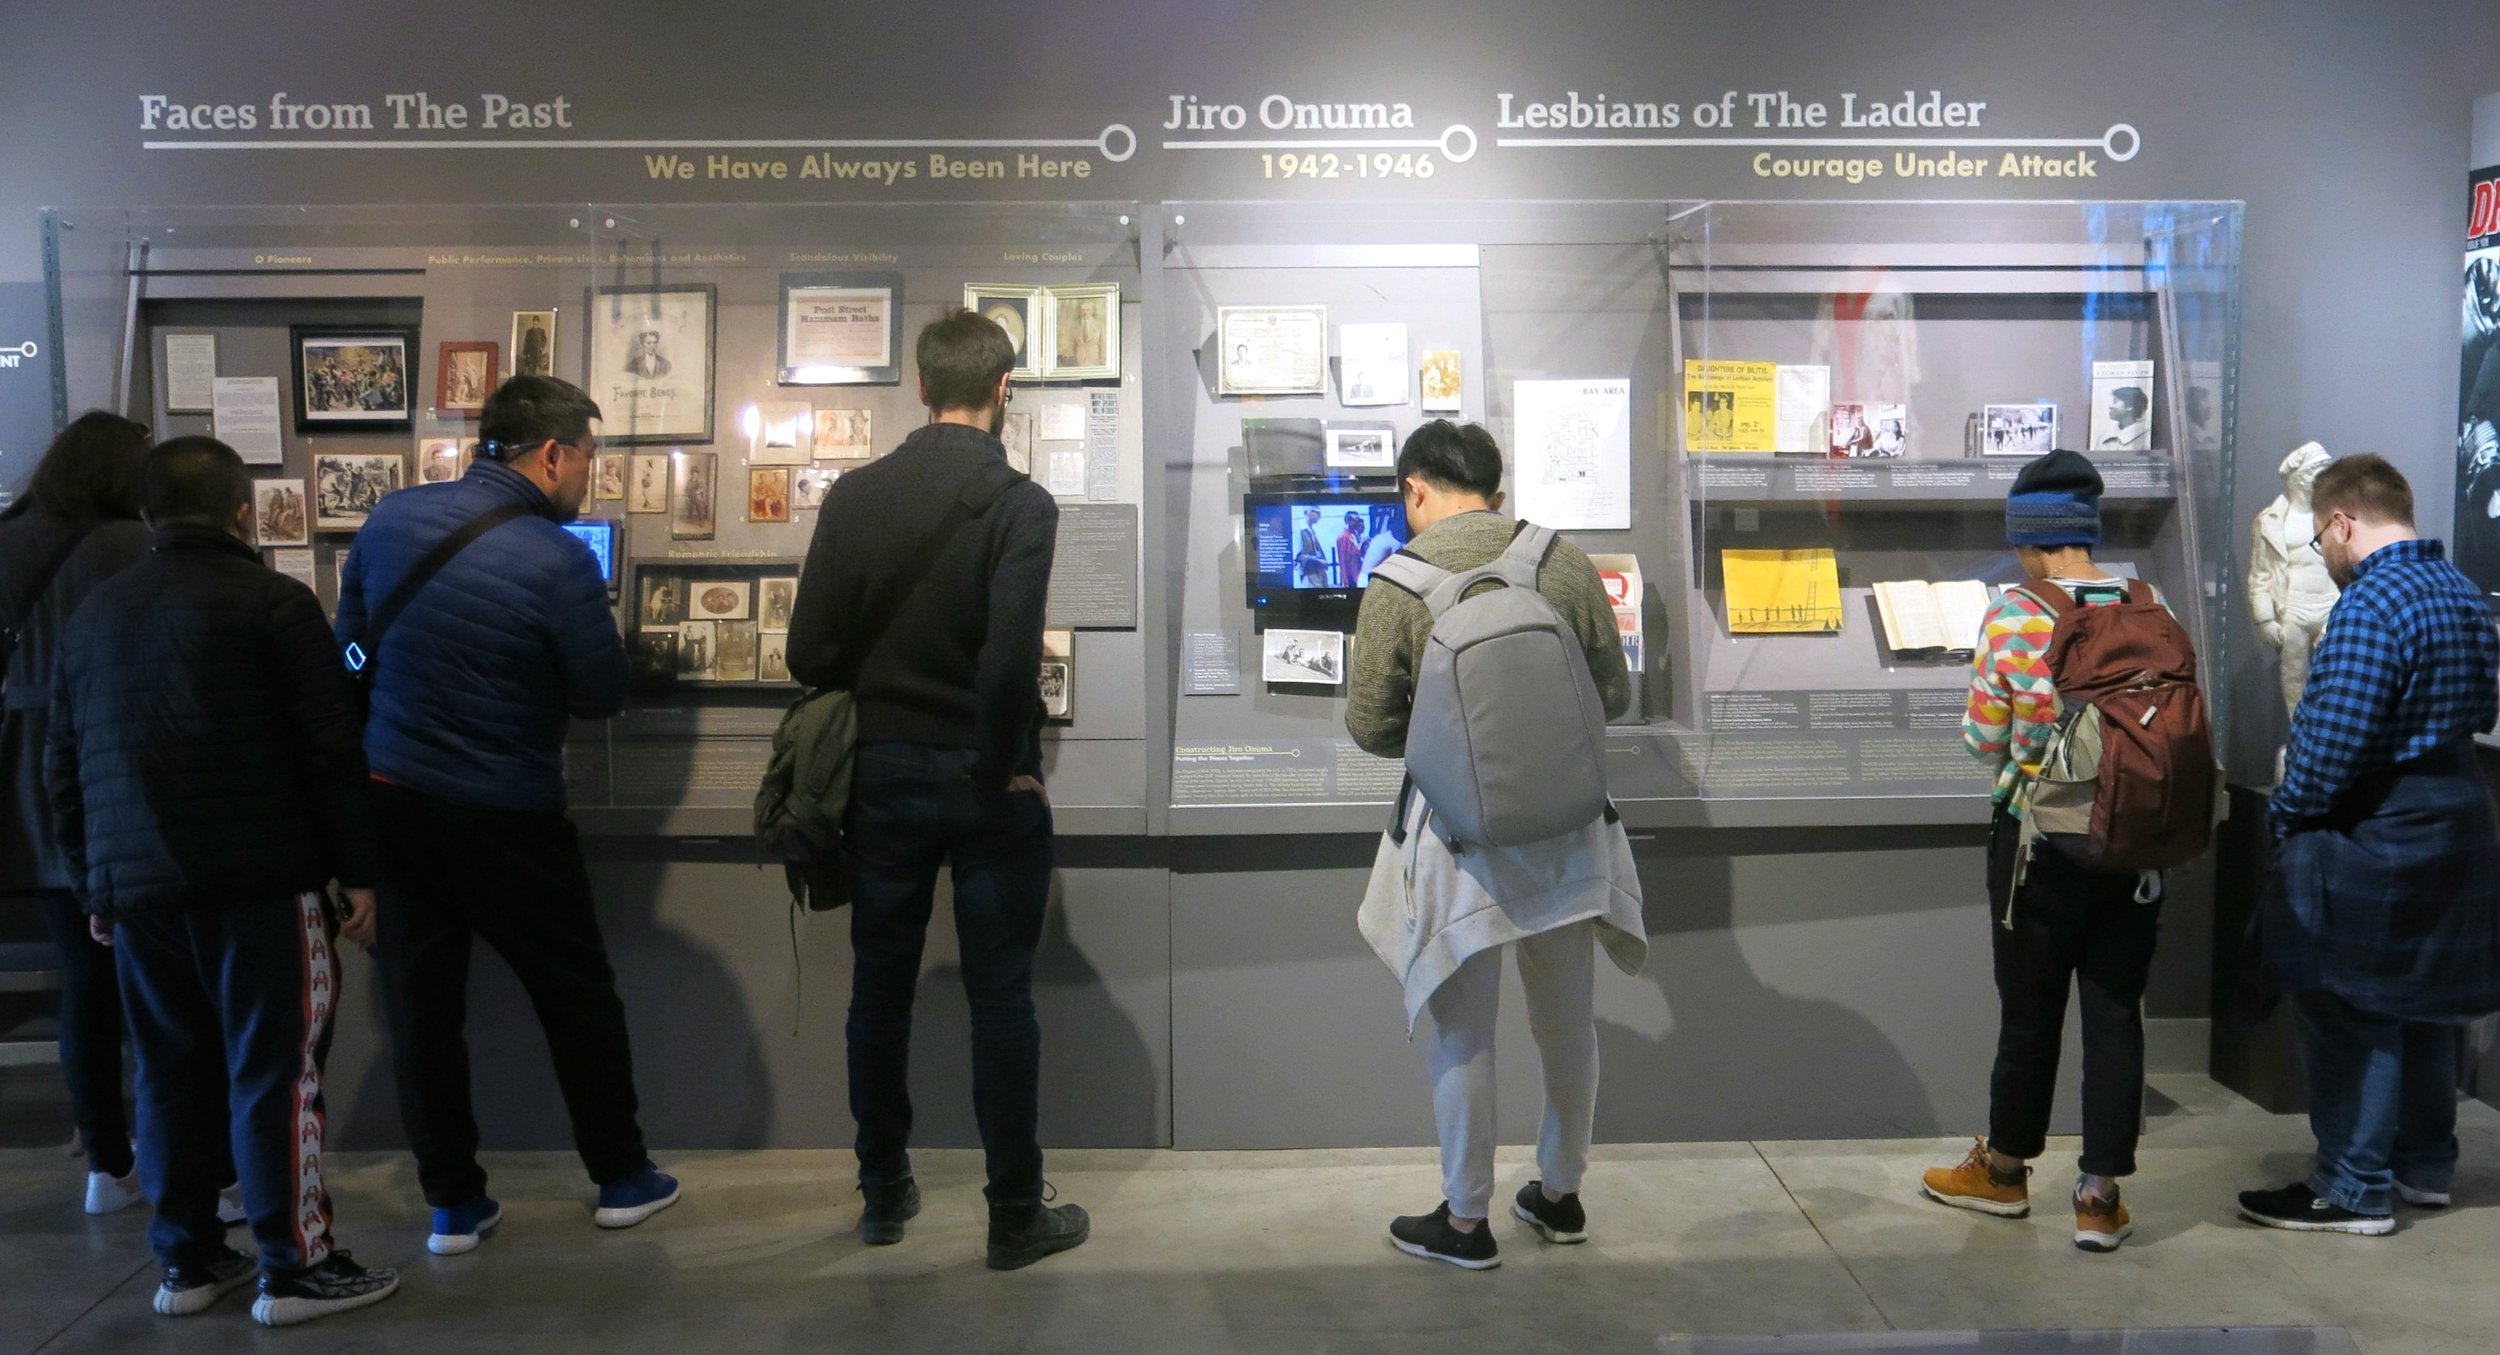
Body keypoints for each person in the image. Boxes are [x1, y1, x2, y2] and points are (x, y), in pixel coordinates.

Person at [47, 436, 396, 1326]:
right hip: (259, 881)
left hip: (137, 892)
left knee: (166, 1074)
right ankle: (295, 1265)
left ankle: (188, 1261)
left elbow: (64, 766)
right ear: (245, 509)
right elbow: (330, 752)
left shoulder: (93, 614)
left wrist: (95, 885)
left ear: (150, 514)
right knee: (278, 1074)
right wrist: (359, 872)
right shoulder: (274, 603)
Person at [338, 375, 677, 1257]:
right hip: (509, 813)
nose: (589, 482)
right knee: (575, 996)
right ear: (553, 454)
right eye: (590, 461)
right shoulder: (558, 556)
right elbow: (599, 694)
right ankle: (621, 1177)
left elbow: (348, 652)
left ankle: (454, 1204)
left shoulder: (387, 521)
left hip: (398, 804)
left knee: (422, 1012)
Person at [786, 310, 1084, 1269]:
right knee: (1002, 999)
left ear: (919, 386)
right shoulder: (1020, 503)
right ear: (1005, 391)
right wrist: (1010, 764)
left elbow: (807, 653)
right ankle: (1011, 1212)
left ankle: (882, 1191)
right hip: (980, 775)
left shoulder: (855, 496)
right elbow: (1007, 666)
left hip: (879, 770)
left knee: (880, 985)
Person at [1345, 419, 1643, 1269]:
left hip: (1458, 837)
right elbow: (1612, 694)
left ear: (1415, 490)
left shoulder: (1397, 583)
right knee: (1566, 1020)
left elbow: (1370, 726)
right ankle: (1560, 1193)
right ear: (1497, 493)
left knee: (1462, 1029)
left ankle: (1466, 1220)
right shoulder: (1563, 560)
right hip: (1568, 829)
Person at [2239, 454, 2500, 1236]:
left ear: (2345, 521)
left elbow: (2327, 749)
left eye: (2321, 540)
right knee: (2425, 1004)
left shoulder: (2369, 604)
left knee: (2353, 1005)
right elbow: (2483, 705)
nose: (2325, 555)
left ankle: (2352, 1186)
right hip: (2458, 814)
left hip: (2374, 830)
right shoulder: (2463, 594)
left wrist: (2283, 814)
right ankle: (2424, 1166)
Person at [1921, 448, 2171, 1253]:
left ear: (2030, 538)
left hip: (2038, 842)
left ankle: (2002, 1171)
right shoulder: (2147, 599)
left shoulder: (2014, 612)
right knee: (2114, 1013)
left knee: (2029, 1013)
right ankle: (2099, 1197)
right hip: (2134, 845)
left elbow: (1981, 738)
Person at [0, 412, 165, 1213]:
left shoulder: (9, 534)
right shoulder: (127, 547)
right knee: (155, 977)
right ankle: (173, 1153)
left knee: (81, 981)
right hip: (107, 766)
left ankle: (105, 1157)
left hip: (19, 777)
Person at [1335, 511, 1365, 588]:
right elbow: (1342, 560)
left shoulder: (1355, 534)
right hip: (1351, 577)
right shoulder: (1343, 536)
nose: (1358, 523)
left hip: (1358, 574)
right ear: (1349, 521)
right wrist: (1345, 581)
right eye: (1356, 521)